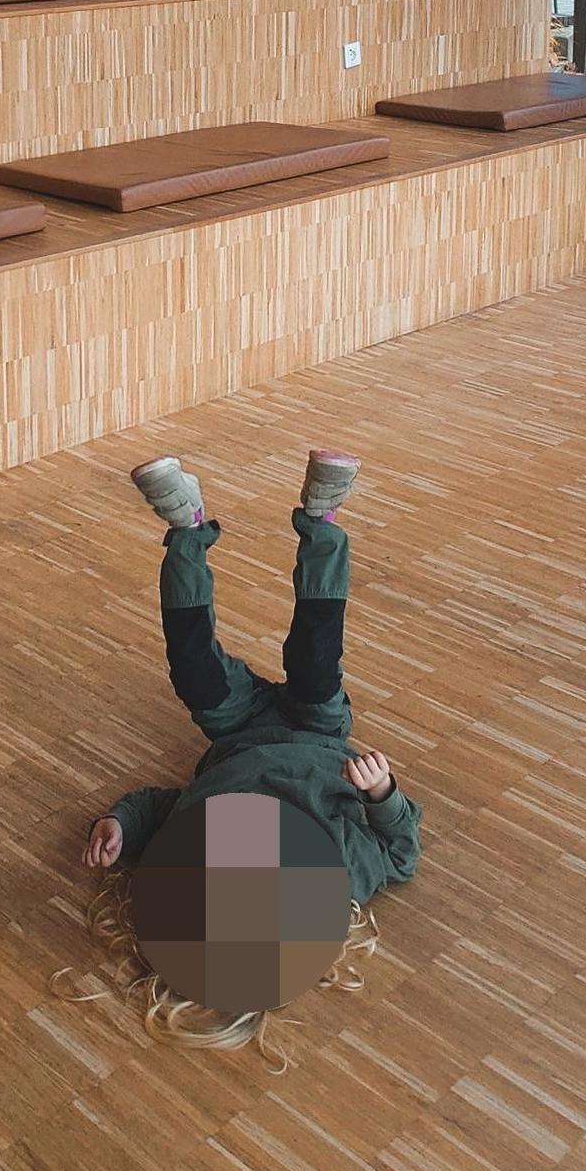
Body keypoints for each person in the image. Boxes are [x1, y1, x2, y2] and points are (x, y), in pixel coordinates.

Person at [78, 448, 421, 1045]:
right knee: (315, 658)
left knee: (193, 667)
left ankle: (186, 528)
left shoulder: (190, 849)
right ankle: (321, 519)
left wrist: (119, 825)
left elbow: (155, 806)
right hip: (317, 730)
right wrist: (382, 793)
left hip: (237, 730)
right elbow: (402, 852)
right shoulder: (340, 870)